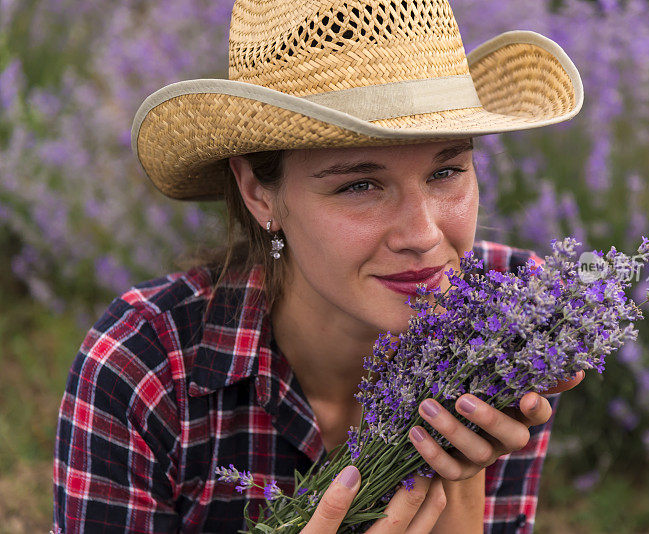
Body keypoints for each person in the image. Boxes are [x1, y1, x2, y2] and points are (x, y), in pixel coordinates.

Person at [53, 0, 585, 532]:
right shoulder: (145, 367)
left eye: (446, 171)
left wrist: (459, 475)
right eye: (359, 185)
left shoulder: (514, 313)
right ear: (258, 192)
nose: (423, 235)